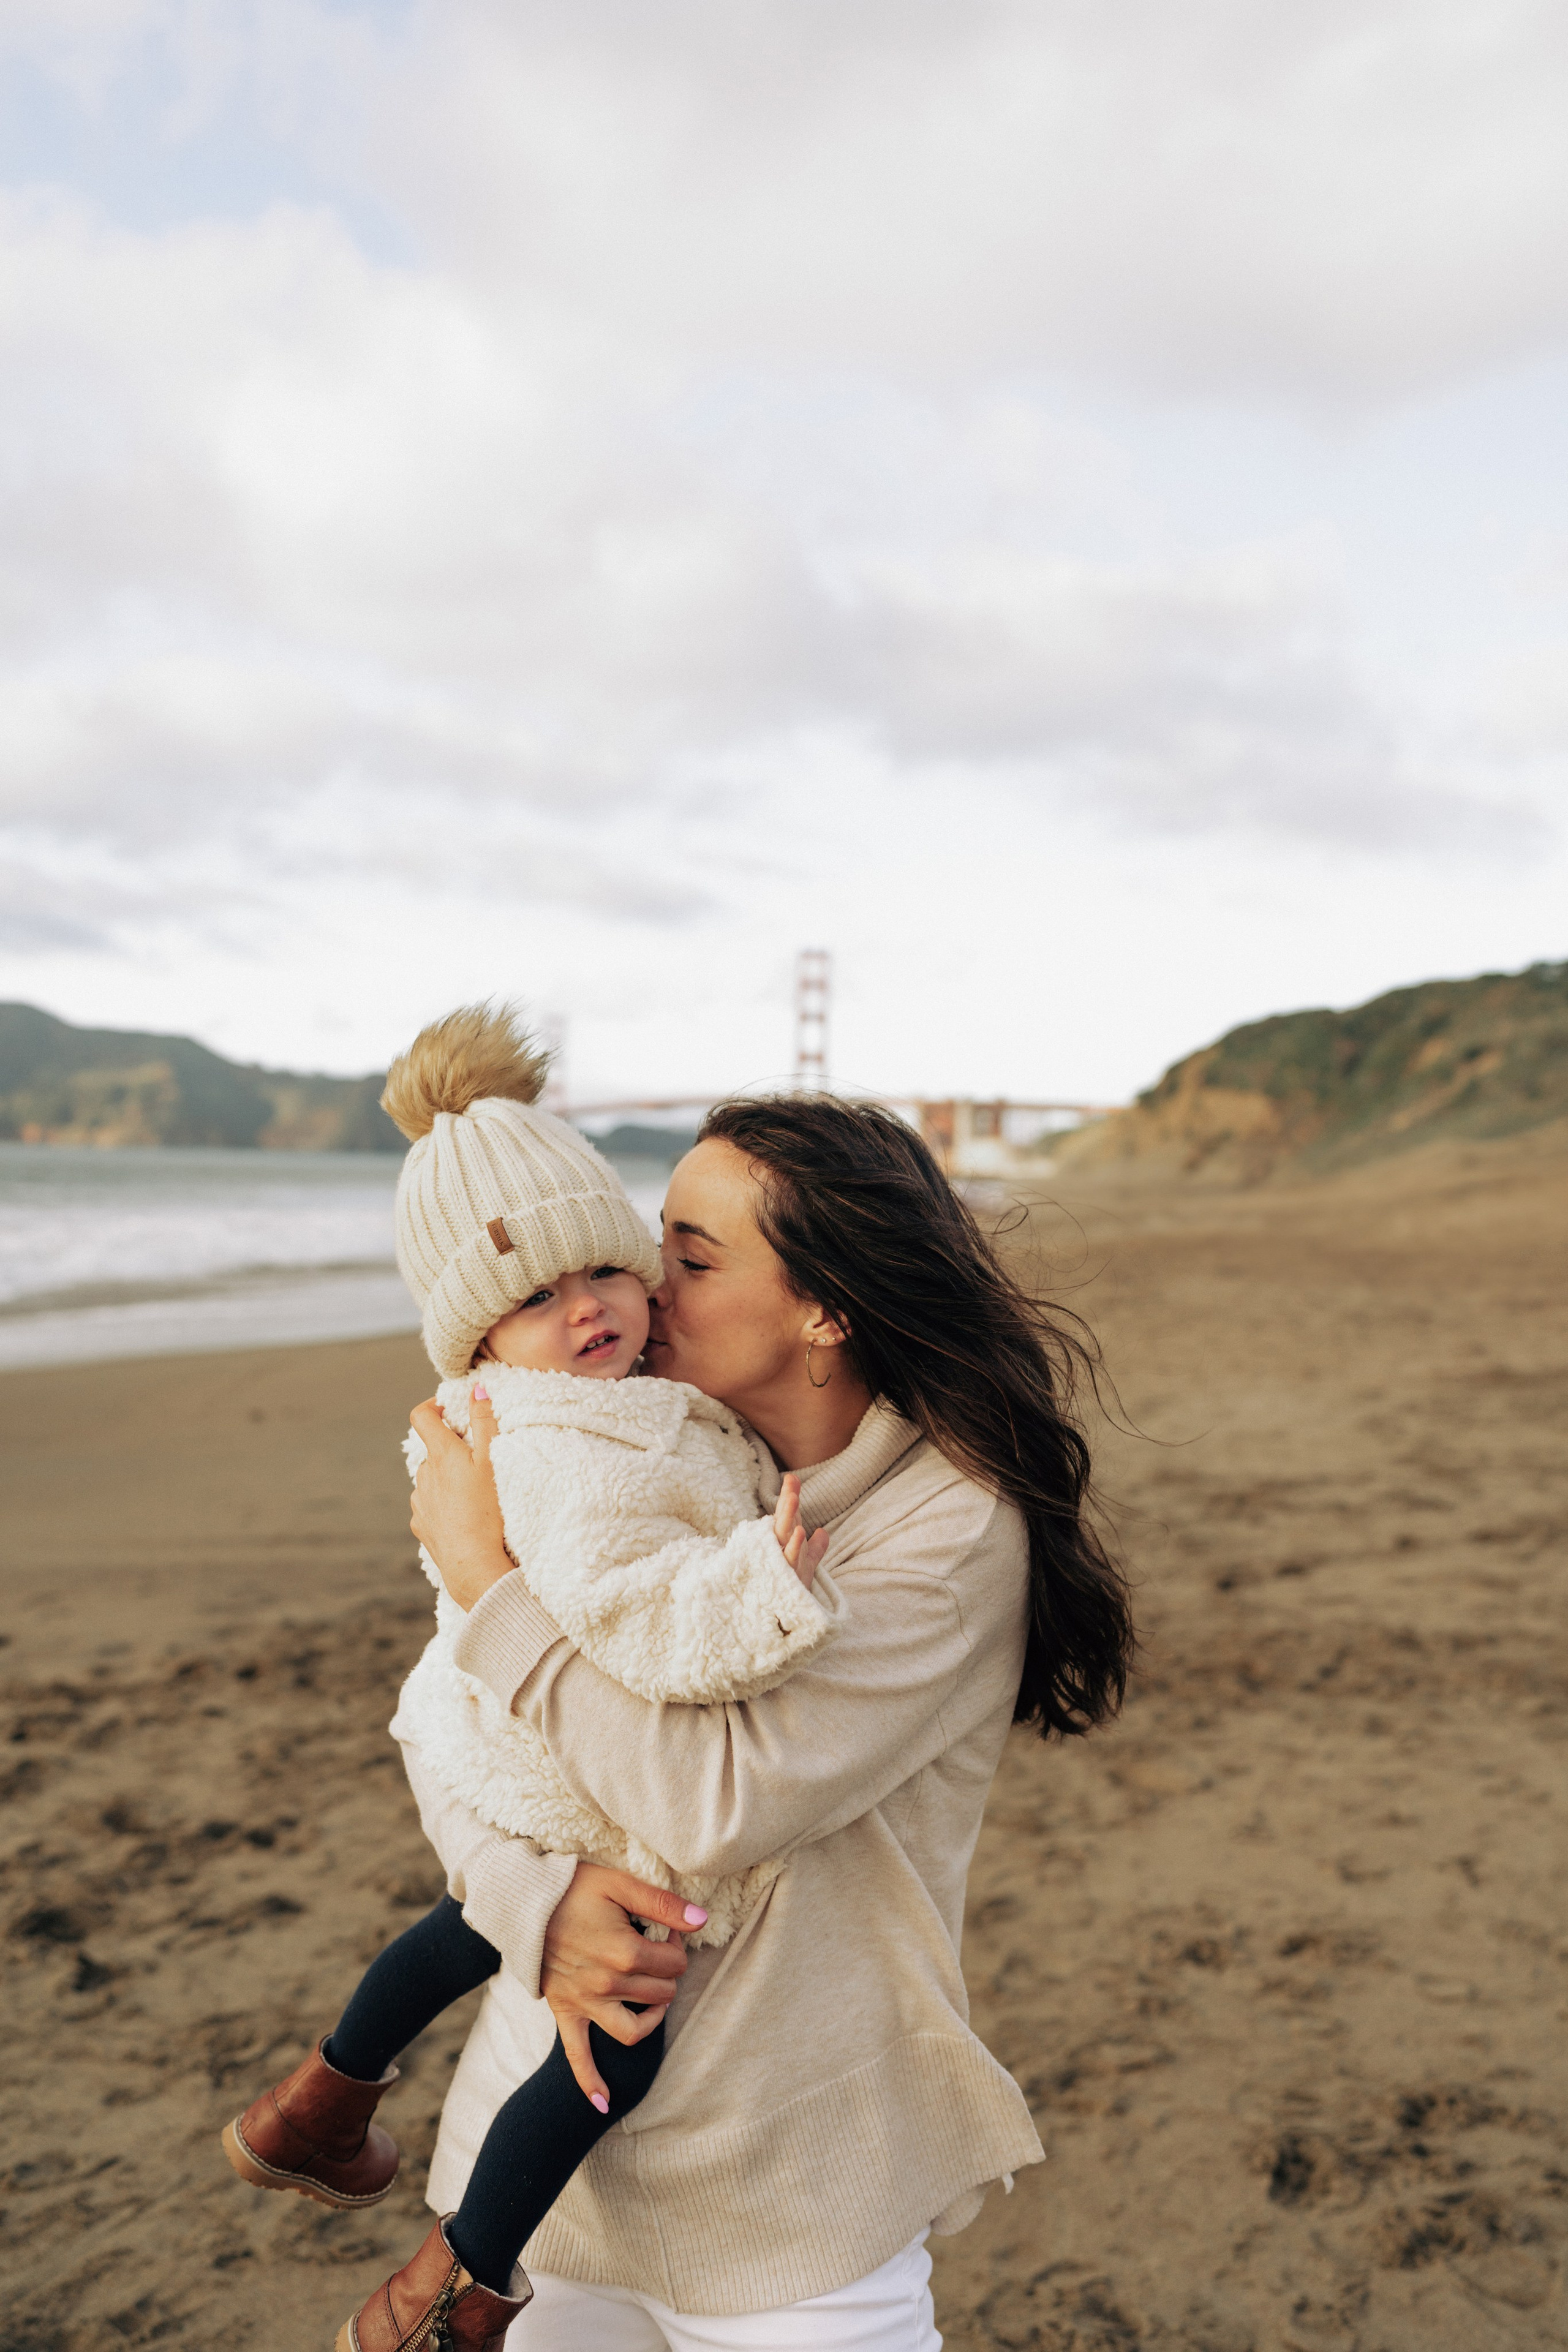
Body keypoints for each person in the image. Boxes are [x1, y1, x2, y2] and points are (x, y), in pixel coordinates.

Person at [399, 1088, 1137, 2351]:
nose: (640, 1286)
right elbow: (442, 1721)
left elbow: (713, 1802)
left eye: (686, 1258)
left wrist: (491, 1590)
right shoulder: (629, 1458)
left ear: (822, 1308)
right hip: (537, 2161)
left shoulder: (947, 1529)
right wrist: (532, 1902)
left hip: (784, 2199)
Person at [218, 1007, 837, 2351]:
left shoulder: (556, 1416)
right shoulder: (570, 1452)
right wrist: (764, 1583)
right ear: (477, 1342)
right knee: (618, 2026)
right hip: (566, 1767)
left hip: (502, 1742)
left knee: (459, 1925)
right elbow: (638, 1614)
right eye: (532, 1301)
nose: (585, 1312)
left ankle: (319, 2103)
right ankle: (455, 2284)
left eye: (604, 1274)